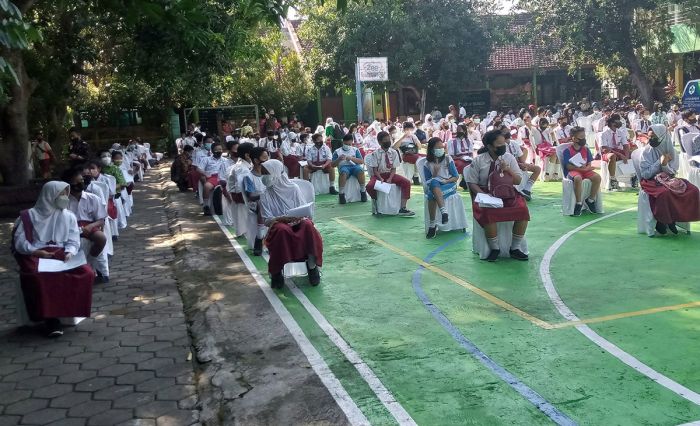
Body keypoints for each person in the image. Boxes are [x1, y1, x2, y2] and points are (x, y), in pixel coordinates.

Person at [11, 181, 94, 337]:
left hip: (59, 252)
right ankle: (50, 319)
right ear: (50, 195)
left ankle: (69, 310)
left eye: (65, 194)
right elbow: (20, 242)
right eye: (61, 194)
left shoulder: (68, 216)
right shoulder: (28, 216)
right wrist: (37, 252)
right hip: (36, 254)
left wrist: (70, 252)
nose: (65, 197)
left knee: (86, 272)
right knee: (38, 276)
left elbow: (73, 239)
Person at [465, 130, 530, 262]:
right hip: (486, 192)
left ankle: (515, 248)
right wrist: (484, 196)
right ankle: (494, 248)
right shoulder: (479, 161)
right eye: (499, 144)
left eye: (504, 143)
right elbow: (472, 183)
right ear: (489, 146)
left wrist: (508, 170)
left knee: (522, 209)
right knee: (488, 211)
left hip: (507, 193)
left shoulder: (509, 158)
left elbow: (517, 181)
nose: (503, 146)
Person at [259, 159, 323, 288]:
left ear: (276, 173)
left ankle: (312, 266)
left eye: (267, 173)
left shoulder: (293, 188)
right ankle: (277, 271)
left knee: (308, 226)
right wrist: (281, 219)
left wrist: (295, 217)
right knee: (282, 230)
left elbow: (304, 210)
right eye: (263, 173)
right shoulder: (265, 195)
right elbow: (266, 220)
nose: (264, 177)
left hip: (297, 221)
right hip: (277, 224)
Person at [640, 125, 700, 235]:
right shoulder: (647, 151)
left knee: (693, 190)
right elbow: (645, 174)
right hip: (651, 181)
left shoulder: (672, 151)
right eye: (649, 137)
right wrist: (659, 162)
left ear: (663, 136)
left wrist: (665, 165)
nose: (651, 139)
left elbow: (672, 172)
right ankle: (662, 221)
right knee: (664, 193)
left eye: (654, 136)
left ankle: (676, 218)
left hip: (669, 180)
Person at [63, 167, 110, 282]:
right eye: (76, 182)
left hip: (89, 226)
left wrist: (90, 226)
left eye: (81, 181)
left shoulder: (93, 198)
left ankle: (91, 262)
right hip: (70, 228)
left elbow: (101, 219)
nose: (80, 184)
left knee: (101, 238)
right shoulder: (64, 201)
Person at [365, 131, 415, 216]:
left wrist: (390, 178)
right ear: (380, 142)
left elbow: (393, 169)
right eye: (385, 140)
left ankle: (403, 208)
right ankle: (376, 201)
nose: (388, 141)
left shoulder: (394, 152)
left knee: (406, 183)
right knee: (369, 186)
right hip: (378, 175)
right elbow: (375, 170)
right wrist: (380, 178)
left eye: (388, 139)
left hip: (390, 174)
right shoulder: (375, 154)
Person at [423, 137, 460, 238]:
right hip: (436, 185)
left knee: (431, 195)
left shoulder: (448, 159)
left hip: (449, 184)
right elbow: (427, 181)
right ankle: (443, 212)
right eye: (437, 147)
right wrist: (434, 174)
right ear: (431, 149)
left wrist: (446, 181)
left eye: (441, 147)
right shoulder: (427, 163)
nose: (440, 149)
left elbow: (456, 177)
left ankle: (432, 225)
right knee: (434, 183)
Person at [562, 127, 601, 216]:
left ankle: (590, 200)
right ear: (574, 139)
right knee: (578, 178)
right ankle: (578, 203)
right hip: (573, 171)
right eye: (581, 137)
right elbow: (568, 166)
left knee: (597, 177)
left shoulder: (586, 149)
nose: (583, 139)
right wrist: (582, 169)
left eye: (584, 136)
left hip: (585, 170)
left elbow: (589, 163)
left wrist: (587, 168)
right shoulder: (567, 151)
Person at [244, 147, 270, 255]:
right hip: (255, 203)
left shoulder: (269, 173)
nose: (267, 160)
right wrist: (264, 195)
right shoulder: (248, 176)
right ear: (256, 160)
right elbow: (250, 195)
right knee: (261, 203)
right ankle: (259, 238)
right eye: (264, 158)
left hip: (269, 200)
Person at [196, 142, 232, 215]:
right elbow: (198, 169)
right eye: (217, 150)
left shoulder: (226, 160)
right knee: (206, 186)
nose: (219, 151)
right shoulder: (206, 159)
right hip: (212, 177)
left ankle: (232, 205)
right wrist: (205, 174)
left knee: (227, 188)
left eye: (220, 149)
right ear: (212, 151)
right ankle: (206, 206)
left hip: (223, 177)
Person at [600, 113, 634, 189]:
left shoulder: (620, 132)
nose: (619, 122)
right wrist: (621, 155)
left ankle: (633, 177)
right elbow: (605, 148)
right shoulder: (604, 134)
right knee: (612, 156)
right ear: (612, 123)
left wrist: (627, 155)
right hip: (607, 152)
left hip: (618, 150)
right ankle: (612, 179)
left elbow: (625, 145)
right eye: (617, 120)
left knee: (634, 154)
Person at [332, 133, 367, 204]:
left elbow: (361, 161)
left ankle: (363, 191)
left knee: (360, 171)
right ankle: (341, 194)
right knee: (343, 173)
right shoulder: (337, 151)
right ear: (343, 142)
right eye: (346, 144)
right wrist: (338, 159)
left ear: (352, 142)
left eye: (349, 144)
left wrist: (351, 158)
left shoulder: (355, 150)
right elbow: (332, 165)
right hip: (344, 167)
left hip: (354, 166)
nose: (347, 146)